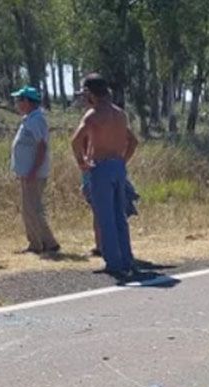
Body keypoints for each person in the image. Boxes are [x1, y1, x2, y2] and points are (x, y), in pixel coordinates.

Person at [70, 73, 138, 277]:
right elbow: (133, 141)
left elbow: (75, 140)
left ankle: (114, 263)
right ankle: (127, 259)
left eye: (85, 94)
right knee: (120, 216)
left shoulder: (93, 115)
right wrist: (121, 162)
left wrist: (82, 162)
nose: (84, 98)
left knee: (105, 217)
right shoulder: (120, 114)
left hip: (100, 167)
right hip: (118, 167)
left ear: (91, 93)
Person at [11, 85, 58, 255]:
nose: (17, 103)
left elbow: (42, 146)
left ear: (27, 101)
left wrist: (33, 170)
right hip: (28, 172)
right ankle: (44, 242)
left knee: (32, 208)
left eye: (19, 100)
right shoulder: (30, 118)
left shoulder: (36, 120)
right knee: (31, 208)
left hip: (33, 173)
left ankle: (40, 243)